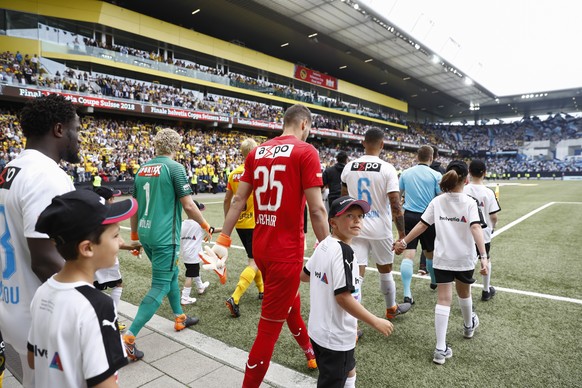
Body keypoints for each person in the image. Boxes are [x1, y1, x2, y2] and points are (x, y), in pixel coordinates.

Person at [204, 104, 329, 387]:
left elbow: (237, 200)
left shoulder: (258, 151)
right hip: (286, 251)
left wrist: (223, 239)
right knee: (268, 329)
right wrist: (330, 248)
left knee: (291, 306)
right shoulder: (306, 151)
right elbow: (318, 210)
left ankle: (310, 352)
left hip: (261, 247)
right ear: (305, 124)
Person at [0, 94, 80, 387]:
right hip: (42, 318)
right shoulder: (46, 175)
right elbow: (45, 260)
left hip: (12, 306)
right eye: (76, 130)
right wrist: (87, 302)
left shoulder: (12, 168)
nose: (79, 138)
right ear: (59, 130)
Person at [28, 189, 138, 387]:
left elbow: (33, 358)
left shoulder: (42, 291)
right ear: (87, 248)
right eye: (115, 236)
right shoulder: (98, 306)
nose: (121, 242)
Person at [125, 128, 213, 361]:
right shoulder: (175, 168)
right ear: (176, 146)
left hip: (146, 233)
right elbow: (189, 206)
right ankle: (129, 337)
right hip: (165, 237)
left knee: (171, 274)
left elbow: (133, 206)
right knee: (161, 284)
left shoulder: (143, 169)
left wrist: (134, 235)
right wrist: (205, 225)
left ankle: (179, 317)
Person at [394, 160, 489, 365]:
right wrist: (484, 256)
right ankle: (468, 327)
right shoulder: (470, 202)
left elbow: (422, 224)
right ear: (465, 179)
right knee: (465, 293)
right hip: (463, 258)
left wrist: (403, 241)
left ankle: (440, 349)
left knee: (443, 299)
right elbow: (475, 228)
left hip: (442, 258)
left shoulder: (438, 201)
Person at [301, 196, 394, 387]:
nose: (357, 220)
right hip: (335, 335)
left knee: (349, 368)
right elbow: (343, 298)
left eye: (360, 216)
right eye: (349, 215)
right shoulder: (345, 252)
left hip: (317, 330)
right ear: (333, 222)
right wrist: (375, 321)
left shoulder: (324, 244)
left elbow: (304, 275)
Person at [340, 128, 411, 320]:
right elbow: (396, 205)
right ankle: (391, 309)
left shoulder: (349, 167)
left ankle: (352, 322)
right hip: (381, 229)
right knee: (385, 271)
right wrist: (402, 235)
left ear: (363, 143)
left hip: (355, 227)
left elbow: (343, 200)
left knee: (357, 274)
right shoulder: (387, 169)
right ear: (382, 145)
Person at [224, 138, 264, 318]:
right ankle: (236, 296)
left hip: (240, 222)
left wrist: (228, 220)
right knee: (255, 261)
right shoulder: (259, 172)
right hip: (256, 222)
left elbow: (228, 200)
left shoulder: (233, 174)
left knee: (253, 258)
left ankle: (262, 289)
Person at [398, 145, 442, 304]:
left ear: (417, 157)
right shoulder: (436, 175)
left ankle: (407, 293)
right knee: (429, 252)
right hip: (428, 218)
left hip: (409, 216)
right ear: (431, 158)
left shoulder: (405, 173)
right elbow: (441, 197)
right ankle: (434, 281)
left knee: (408, 254)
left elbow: (398, 195)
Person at [93, 186, 140, 331]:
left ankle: (97, 320)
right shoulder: (111, 219)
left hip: (91, 261)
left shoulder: (89, 215)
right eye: (113, 197)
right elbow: (118, 243)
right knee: (118, 284)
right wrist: (134, 247)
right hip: (107, 259)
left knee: (95, 288)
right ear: (109, 200)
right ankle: (111, 318)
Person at [464, 159, 501, 301]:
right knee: (485, 258)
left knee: (468, 261)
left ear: (469, 172)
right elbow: (494, 216)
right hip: (483, 232)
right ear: (484, 173)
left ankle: (467, 293)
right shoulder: (488, 192)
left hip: (466, 231)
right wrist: (493, 226)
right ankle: (486, 290)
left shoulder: (464, 189)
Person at [180, 200, 220, 305]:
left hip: (185, 254)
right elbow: (212, 230)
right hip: (193, 254)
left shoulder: (182, 224)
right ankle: (185, 297)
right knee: (190, 275)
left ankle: (200, 286)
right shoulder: (200, 225)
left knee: (194, 270)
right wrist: (225, 229)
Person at [418, 145, 447, 276]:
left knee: (423, 241)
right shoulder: (440, 171)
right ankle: (436, 267)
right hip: (435, 210)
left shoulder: (416, 170)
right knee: (434, 240)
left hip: (416, 209)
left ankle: (423, 266)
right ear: (435, 156)